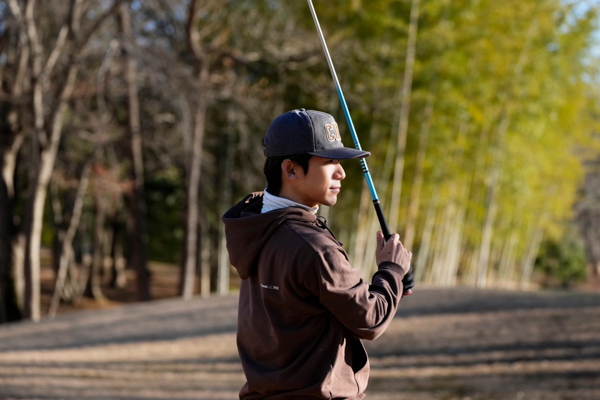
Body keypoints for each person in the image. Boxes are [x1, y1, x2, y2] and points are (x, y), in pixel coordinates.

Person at [222, 108, 413, 400]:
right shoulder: (313, 246)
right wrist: (392, 271)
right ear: (290, 170)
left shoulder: (254, 226)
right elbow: (369, 319)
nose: (341, 172)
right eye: (329, 161)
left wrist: (391, 284)